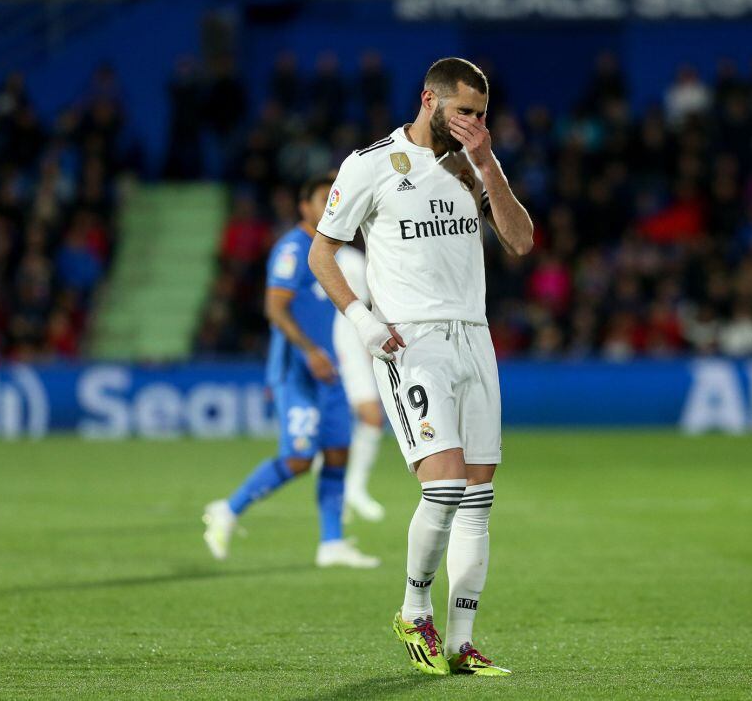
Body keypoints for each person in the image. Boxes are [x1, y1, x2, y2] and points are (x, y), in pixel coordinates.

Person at [308, 58, 534, 676]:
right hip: (413, 342)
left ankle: (462, 643)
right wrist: (361, 319)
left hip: (474, 336)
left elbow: (520, 241)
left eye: (482, 115)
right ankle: (414, 609)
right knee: (445, 485)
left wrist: (488, 164)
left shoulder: (472, 166)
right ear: (429, 101)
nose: (473, 124)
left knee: (479, 497)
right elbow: (322, 251)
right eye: (464, 112)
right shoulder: (371, 164)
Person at [202, 173, 379, 569]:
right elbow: (275, 309)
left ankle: (331, 543)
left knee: (337, 453)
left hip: (328, 367)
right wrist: (309, 351)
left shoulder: (332, 251)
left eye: (337, 196)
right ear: (304, 206)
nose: (332, 203)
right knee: (300, 458)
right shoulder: (293, 249)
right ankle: (227, 510)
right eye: (323, 197)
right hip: (298, 369)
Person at [333, 244, 387, 522]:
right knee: (332, 425)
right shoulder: (309, 253)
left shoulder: (355, 260)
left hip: (352, 342)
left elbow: (367, 308)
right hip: (324, 346)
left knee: (371, 417)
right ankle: (335, 496)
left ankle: (355, 488)